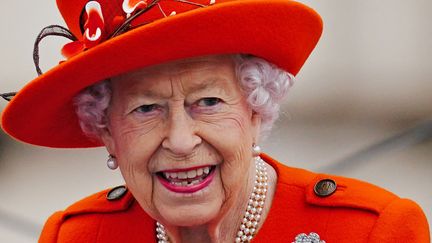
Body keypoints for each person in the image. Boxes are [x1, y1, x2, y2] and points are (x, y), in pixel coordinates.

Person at [0, 0, 429, 242]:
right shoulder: (78, 238)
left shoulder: (372, 232)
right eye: (146, 109)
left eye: (207, 101)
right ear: (108, 133)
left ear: (256, 111)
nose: (182, 140)